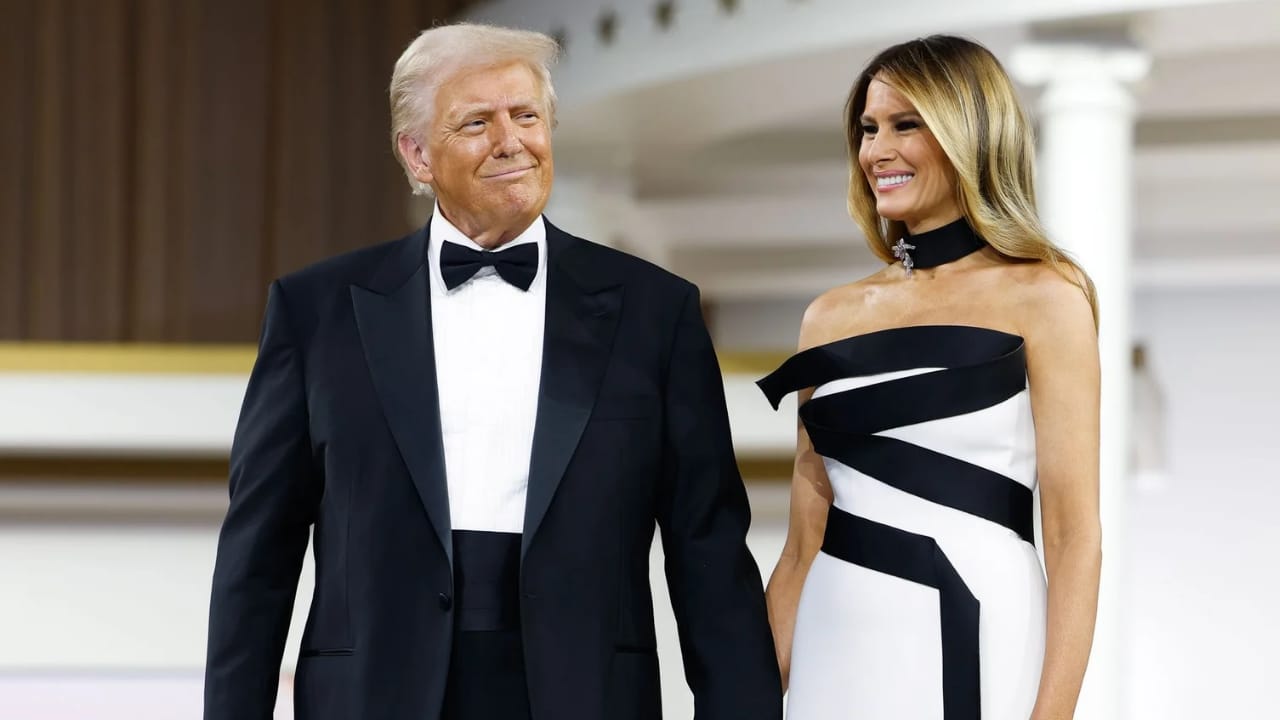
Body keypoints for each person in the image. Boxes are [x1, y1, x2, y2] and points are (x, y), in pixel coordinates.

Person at [204, 22, 781, 720]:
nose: (511, 141)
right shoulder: (315, 312)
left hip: (586, 695)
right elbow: (258, 556)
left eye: (526, 116)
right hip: (374, 694)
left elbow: (709, 552)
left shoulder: (656, 313)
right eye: (477, 122)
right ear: (417, 154)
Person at [757, 35, 1101, 720]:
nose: (876, 151)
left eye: (905, 124)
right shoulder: (829, 316)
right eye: (868, 129)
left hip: (980, 624)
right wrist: (747, 698)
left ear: (969, 133)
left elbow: (1073, 535)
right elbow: (800, 549)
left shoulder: (1048, 296)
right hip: (836, 640)